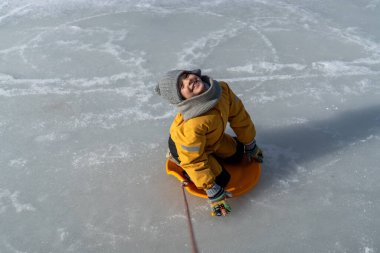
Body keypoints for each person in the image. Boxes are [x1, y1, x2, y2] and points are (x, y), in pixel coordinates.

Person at [155, 69, 263, 216]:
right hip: (186, 151)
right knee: (222, 180)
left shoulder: (223, 90)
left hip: (213, 140)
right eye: (181, 86)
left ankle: (216, 155)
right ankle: (179, 163)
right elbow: (194, 160)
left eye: (186, 76)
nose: (188, 81)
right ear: (182, 99)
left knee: (239, 152)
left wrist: (249, 143)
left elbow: (239, 116)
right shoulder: (191, 125)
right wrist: (211, 190)